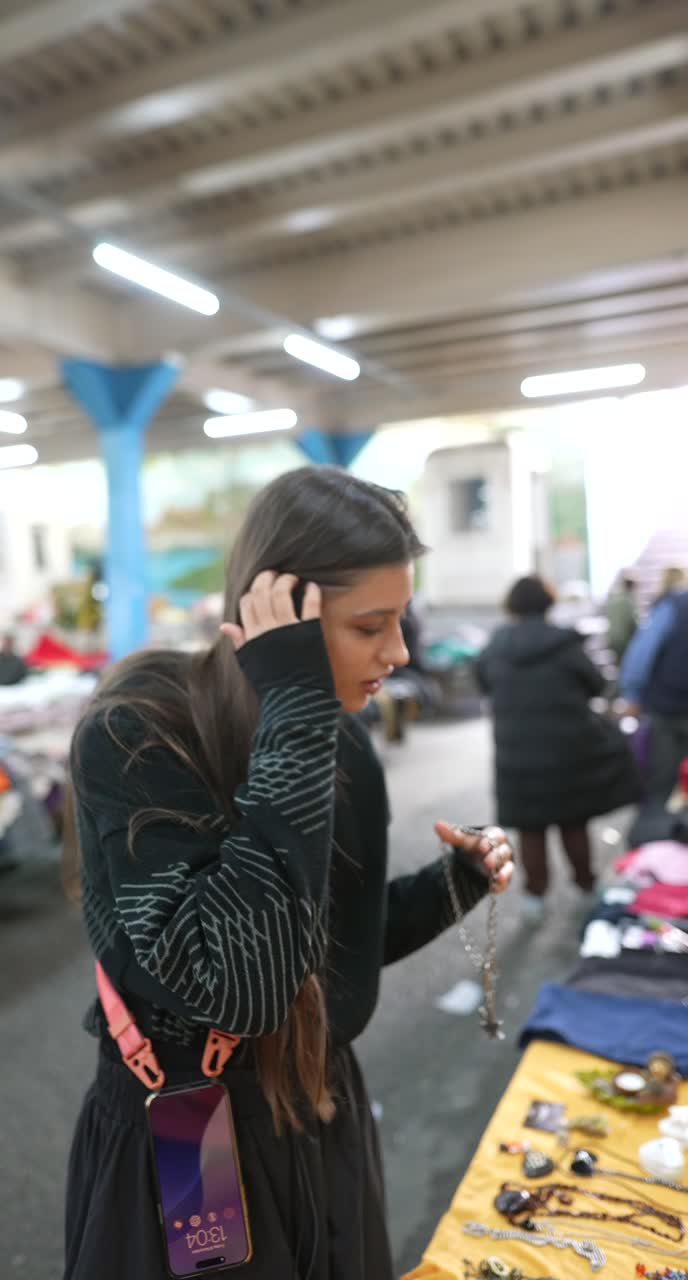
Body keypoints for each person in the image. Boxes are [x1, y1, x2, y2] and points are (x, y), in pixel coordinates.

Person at [62, 466, 514, 1280]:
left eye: (400, 619)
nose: (400, 652)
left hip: (317, 1112)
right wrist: (297, 708)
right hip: (187, 1125)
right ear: (283, 616)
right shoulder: (138, 731)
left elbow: (327, 946)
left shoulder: (337, 744)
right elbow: (243, 982)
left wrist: (458, 880)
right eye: (370, 625)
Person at [476, 575, 639, 923]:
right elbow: (597, 685)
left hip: (516, 754)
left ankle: (535, 898)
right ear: (549, 604)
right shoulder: (565, 644)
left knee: (530, 829)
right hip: (567, 751)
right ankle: (586, 889)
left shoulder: (496, 646)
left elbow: (483, 683)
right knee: (573, 823)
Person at [621, 576, 688, 803]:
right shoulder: (674, 608)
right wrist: (632, 694)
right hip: (663, 709)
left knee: (687, 780)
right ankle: (654, 829)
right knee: (661, 775)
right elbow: (642, 652)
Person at [606, 574, 638, 661]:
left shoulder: (614, 600)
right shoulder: (628, 602)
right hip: (624, 639)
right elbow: (632, 622)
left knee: (618, 662)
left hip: (612, 637)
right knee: (626, 662)